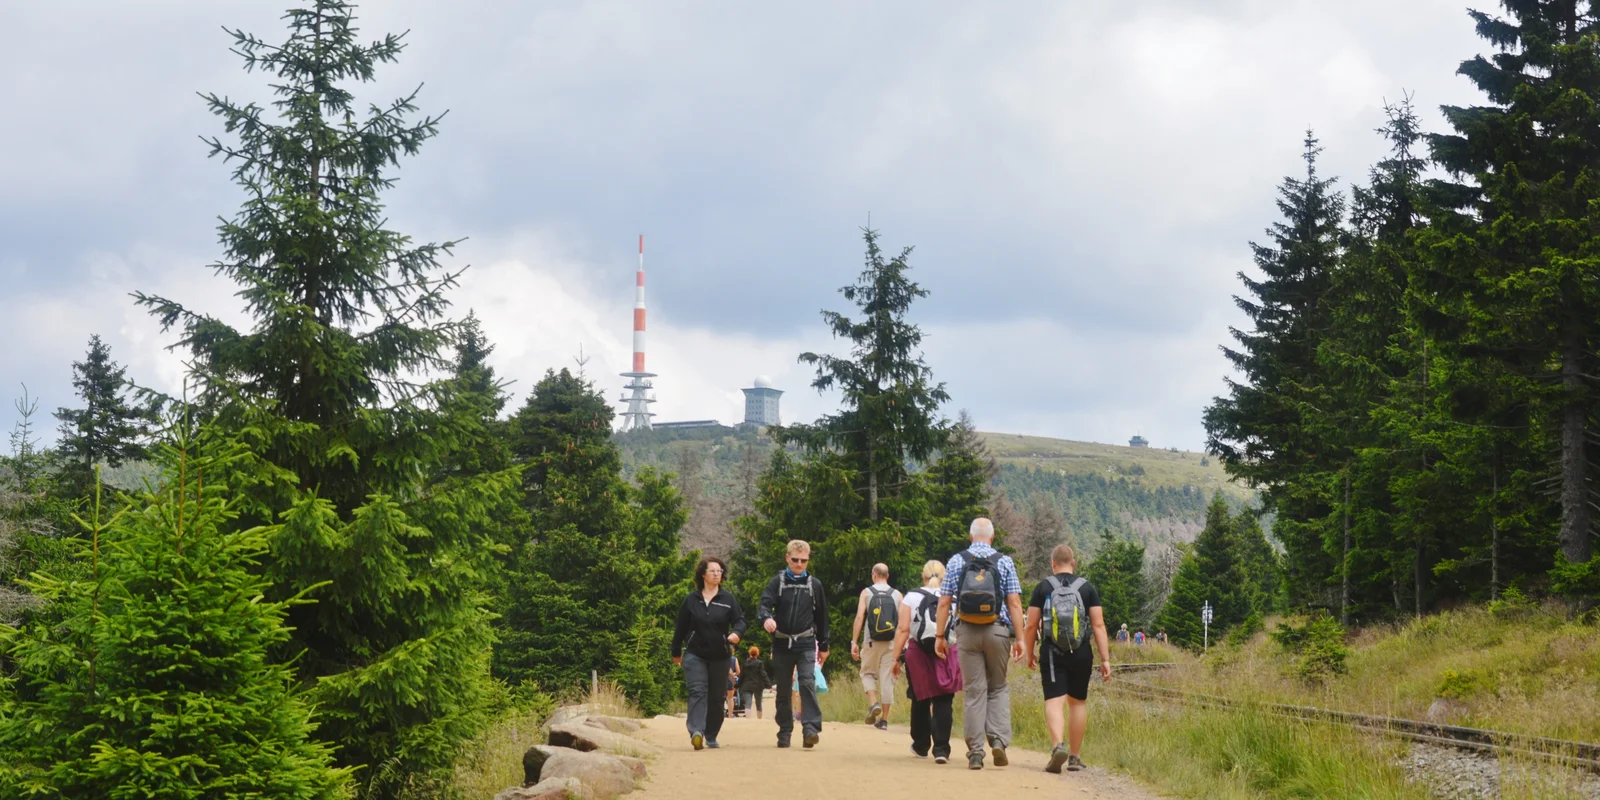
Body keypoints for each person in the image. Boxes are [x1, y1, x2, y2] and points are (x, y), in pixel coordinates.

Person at [934, 517, 1024, 770]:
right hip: (997, 632)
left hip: (967, 632)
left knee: (974, 691)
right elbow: (1014, 604)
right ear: (992, 537)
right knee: (997, 687)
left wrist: (940, 637)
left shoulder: (956, 560)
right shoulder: (1004, 562)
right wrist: (1020, 639)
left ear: (970, 537)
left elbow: (944, 602)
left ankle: (975, 752)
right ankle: (997, 740)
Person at [1024, 544, 1112, 773]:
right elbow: (1098, 624)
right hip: (1081, 651)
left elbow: (1032, 624)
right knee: (1078, 702)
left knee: (1054, 700)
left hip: (1052, 652)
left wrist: (1030, 651)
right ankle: (1074, 757)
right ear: (1073, 563)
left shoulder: (1043, 588)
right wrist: (1105, 659)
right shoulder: (1087, 588)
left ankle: (1057, 747)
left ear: (1053, 564)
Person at [758, 539, 830, 749]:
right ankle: (785, 731)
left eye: (804, 561)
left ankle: (810, 729)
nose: (799, 564)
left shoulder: (814, 585)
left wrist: (824, 645)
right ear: (787, 558)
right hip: (781, 643)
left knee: (807, 682)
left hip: (806, 642)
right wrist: (766, 619)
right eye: (795, 560)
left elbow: (823, 616)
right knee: (783, 690)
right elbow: (764, 605)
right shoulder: (777, 582)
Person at [671, 556, 747, 751]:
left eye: (719, 571)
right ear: (703, 574)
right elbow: (680, 628)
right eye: (712, 571)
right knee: (697, 691)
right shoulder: (691, 600)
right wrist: (676, 651)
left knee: (716, 697)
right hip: (695, 654)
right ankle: (696, 732)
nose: (716, 574)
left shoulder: (728, 599)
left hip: (721, 655)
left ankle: (711, 734)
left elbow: (740, 621)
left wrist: (736, 633)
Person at [889, 559, 962, 763]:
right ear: (944, 576)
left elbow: (903, 630)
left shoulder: (911, 596)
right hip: (946, 651)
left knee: (920, 697)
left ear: (923, 576)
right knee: (944, 699)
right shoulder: (953, 598)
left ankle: (921, 745)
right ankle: (941, 749)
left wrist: (896, 659)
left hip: (918, 652)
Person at [851, 562, 903, 730]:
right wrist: (902, 648)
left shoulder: (867, 593)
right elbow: (902, 623)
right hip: (891, 642)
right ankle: (884, 721)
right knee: (887, 679)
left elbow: (860, 617)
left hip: (870, 641)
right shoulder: (897, 595)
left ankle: (874, 703)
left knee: (867, 673)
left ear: (873, 575)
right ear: (887, 576)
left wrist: (854, 641)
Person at [740, 646, 769, 720]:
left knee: (748, 703)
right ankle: (759, 719)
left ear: (749, 653)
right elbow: (763, 674)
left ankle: (748, 720)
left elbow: (742, 675)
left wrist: (737, 685)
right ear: (757, 654)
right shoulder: (759, 663)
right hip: (757, 685)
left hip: (747, 685)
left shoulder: (745, 663)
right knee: (758, 703)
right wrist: (768, 684)